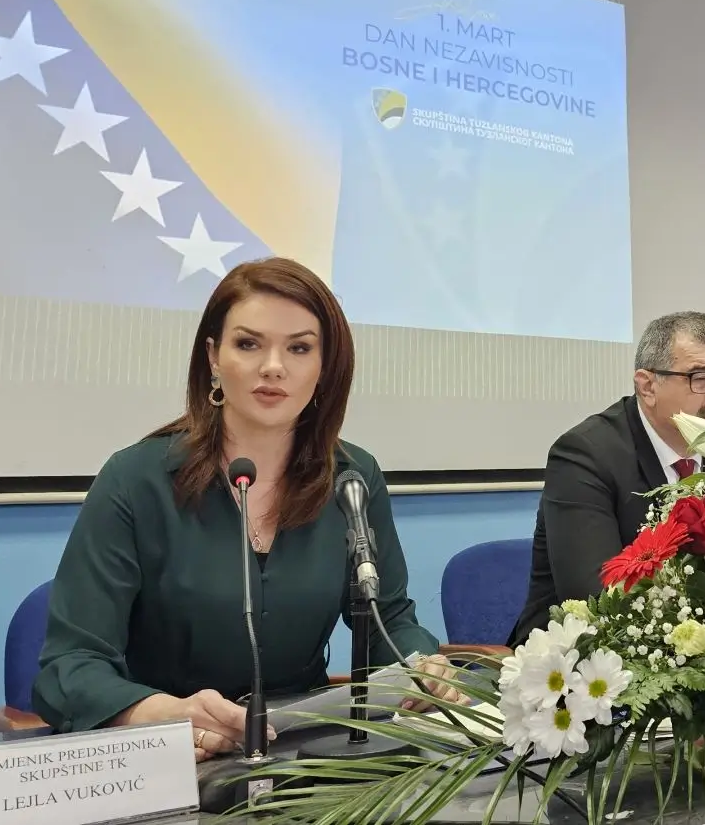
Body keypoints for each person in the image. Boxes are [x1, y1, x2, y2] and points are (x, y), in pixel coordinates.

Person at [33, 258, 460, 761]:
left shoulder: (352, 477)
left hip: (304, 757)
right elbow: (70, 665)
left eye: (299, 348)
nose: (273, 366)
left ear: (325, 367)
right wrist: (159, 714)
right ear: (213, 357)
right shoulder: (136, 479)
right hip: (176, 755)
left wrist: (422, 665)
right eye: (249, 344)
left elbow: (387, 617)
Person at [511, 311, 705, 645]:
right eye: (701, 378)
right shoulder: (585, 455)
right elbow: (594, 599)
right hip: (577, 658)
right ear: (647, 386)